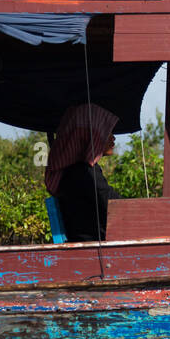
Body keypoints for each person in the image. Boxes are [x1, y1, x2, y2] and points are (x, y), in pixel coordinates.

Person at [45, 103, 122, 242]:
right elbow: (115, 205)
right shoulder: (85, 172)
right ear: (91, 136)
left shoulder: (73, 170)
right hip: (94, 248)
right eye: (107, 131)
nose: (113, 138)